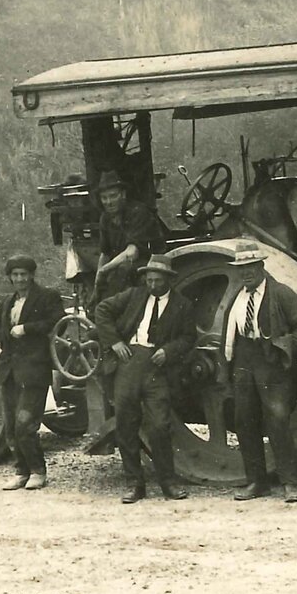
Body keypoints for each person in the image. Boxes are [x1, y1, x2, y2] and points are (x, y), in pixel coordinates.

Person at [93, 255, 195, 502]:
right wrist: (115, 341)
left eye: (158, 280)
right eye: (149, 279)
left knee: (160, 425)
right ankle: (134, 484)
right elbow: (102, 310)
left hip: (156, 368)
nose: (152, 285)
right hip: (128, 363)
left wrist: (168, 351)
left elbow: (189, 337)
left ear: (168, 280)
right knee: (126, 425)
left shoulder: (182, 305)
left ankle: (168, 483)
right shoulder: (134, 295)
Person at [221, 248, 297, 503]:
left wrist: (284, 347)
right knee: (244, 420)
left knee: (277, 420)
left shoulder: (281, 293)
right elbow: (229, 336)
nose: (247, 273)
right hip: (243, 359)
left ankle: (289, 483)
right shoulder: (237, 298)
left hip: (270, 361)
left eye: (251, 267)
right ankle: (257, 482)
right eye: (242, 269)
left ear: (262, 267)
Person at [0, 255, 65, 491]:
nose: (19, 279)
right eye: (15, 275)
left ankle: (38, 470)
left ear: (32, 275)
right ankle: (21, 471)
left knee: (26, 424)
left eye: (24, 274)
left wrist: (27, 329)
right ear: (10, 278)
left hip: (34, 371)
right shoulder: (7, 302)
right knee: (11, 425)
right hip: (9, 372)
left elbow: (58, 321)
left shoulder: (47, 297)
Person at [91, 171, 166, 305]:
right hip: (123, 266)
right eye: (104, 198)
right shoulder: (105, 218)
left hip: (150, 263)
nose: (109, 202)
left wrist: (104, 270)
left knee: (122, 272)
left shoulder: (138, 212)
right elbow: (105, 253)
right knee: (98, 298)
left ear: (123, 194)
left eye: (113, 196)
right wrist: (98, 279)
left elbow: (132, 252)